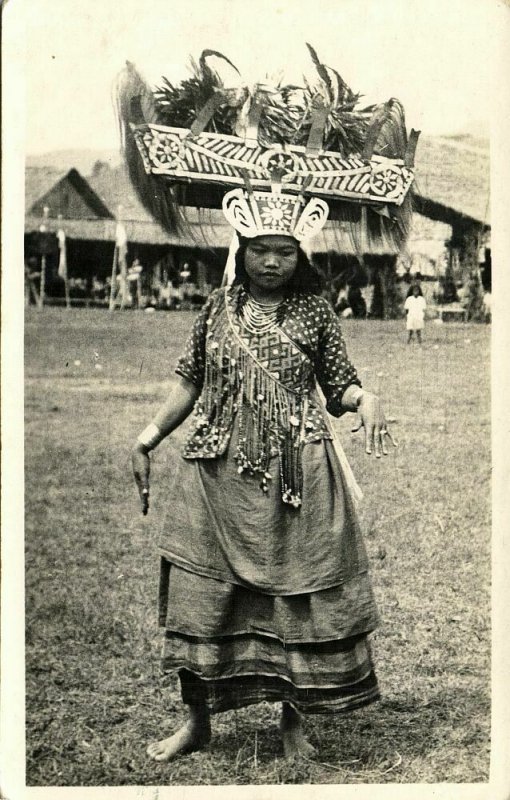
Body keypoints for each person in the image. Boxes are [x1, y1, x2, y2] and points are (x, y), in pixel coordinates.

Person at [131, 194, 397, 762]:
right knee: (201, 595)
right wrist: (148, 436)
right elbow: (189, 381)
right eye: (260, 250)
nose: (272, 261)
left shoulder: (317, 313)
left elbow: (338, 387)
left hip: (295, 473)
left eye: (283, 251)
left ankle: (292, 722)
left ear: (299, 254)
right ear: (242, 250)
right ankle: (196, 721)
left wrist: (366, 396)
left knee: (293, 599)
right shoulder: (216, 308)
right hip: (216, 470)